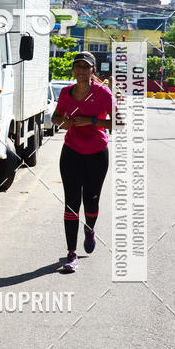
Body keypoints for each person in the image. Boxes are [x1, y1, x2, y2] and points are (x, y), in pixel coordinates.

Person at [51, 52, 115, 273]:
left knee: (91, 201)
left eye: (85, 67)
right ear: (73, 70)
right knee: (71, 202)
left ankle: (89, 229)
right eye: (77, 67)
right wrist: (63, 122)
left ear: (92, 71)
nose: (81, 71)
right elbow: (55, 116)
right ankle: (71, 253)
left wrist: (91, 121)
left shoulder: (103, 93)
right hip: (71, 153)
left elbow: (118, 122)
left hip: (97, 153)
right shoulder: (66, 93)